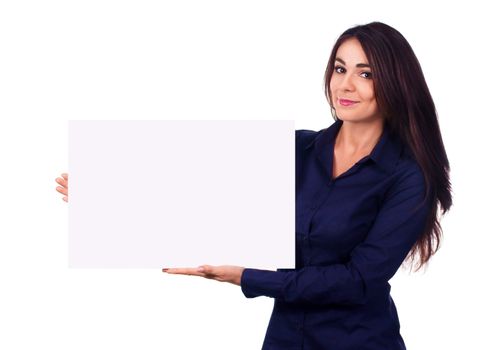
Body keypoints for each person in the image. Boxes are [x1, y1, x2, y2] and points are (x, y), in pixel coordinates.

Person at [56, 21, 452, 349]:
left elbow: (359, 280)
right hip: (284, 338)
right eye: (339, 68)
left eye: (365, 74)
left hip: (359, 341)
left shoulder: (408, 175)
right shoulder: (301, 148)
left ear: (396, 84)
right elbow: (205, 184)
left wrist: (245, 276)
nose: (346, 85)